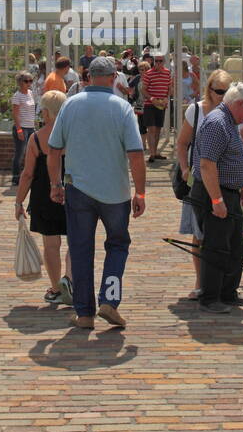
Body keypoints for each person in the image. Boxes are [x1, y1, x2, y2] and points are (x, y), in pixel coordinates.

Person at [46, 56, 146, 330]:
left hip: (78, 189)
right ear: (114, 77)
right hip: (115, 192)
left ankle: (85, 313)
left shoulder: (70, 106)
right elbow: (136, 155)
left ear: (88, 77)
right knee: (117, 245)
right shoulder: (122, 108)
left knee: (80, 250)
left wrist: (55, 184)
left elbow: (53, 150)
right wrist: (141, 193)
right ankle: (109, 301)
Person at [191, 82, 243, 314]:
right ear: (240, 103)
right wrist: (216, 200)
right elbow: (207, 164)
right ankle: (211, 298)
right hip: (216, 192)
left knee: (234, 246)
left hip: (227, 192)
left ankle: (227, 293)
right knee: (216, 246)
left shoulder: (229, 122)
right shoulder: (217, 123)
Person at [178, 69, 243, 299]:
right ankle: (204, 285)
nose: (222, 95)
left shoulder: (236, 116)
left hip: (226, 185)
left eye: (227, 91)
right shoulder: (198, 112)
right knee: (203, 235)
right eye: (219, 91)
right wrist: (185, 169)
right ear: (209, 90)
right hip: (203, 183)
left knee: (226, 239)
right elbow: (183, 144)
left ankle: (220, 288)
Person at [15, 90, 73, 306]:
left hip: (44, 194)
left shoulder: (37, 138)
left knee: (51, 243)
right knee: (75, 241)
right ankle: (71, 280)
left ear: (47, 112)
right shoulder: (74, 134)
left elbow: (28, 174)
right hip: (72, 191)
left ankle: (57, 288)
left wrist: (19, 201)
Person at [140, 53, 172, 160]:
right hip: (150, 104)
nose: (158, 63)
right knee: (151, 129)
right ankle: (152, 154)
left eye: (160, 61)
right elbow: (143, 90)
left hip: (161, 105)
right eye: (156, 61)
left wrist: (167, 98)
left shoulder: (167, 73)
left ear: (164, 62)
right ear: (154, 61)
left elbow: (169, 88)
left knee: (158, 129)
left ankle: (155, 152)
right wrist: (152, 99)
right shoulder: (148, 73)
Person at [10, 71, 36, 185]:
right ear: (20, 82)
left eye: (31, 81)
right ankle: (16, 178)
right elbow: (15, 114)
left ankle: (30, 175)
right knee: (20, 153)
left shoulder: (30, 93)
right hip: (22, 128)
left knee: (31, 153)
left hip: (31, 127)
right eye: (26, 81)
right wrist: (19, 129)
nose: (29, 83)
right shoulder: (17, 96)